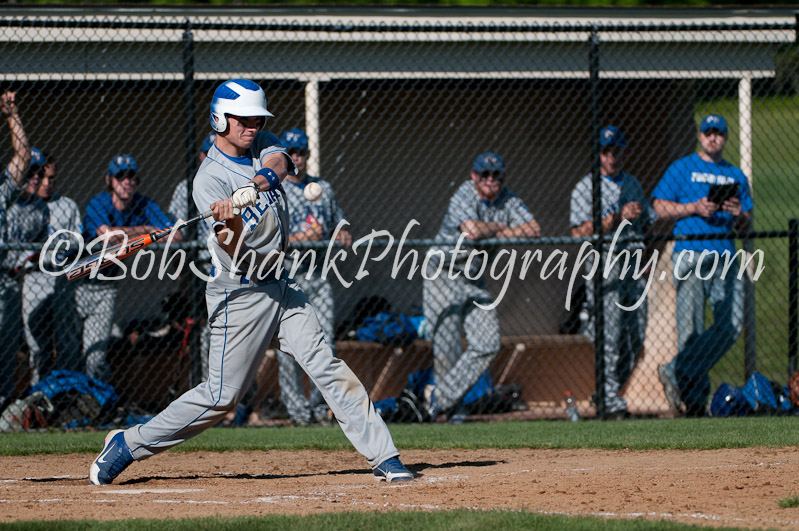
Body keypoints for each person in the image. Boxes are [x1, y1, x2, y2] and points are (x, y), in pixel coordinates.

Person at [89, 79, 412, 485]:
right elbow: (235, 249)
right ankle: (128, 444)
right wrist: (228, 215)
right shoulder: (208, 180)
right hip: (239, 291)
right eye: (243, 118)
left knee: (326, 365)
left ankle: (384, 455)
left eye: (257, 117)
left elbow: (278, 164)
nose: (253, 125)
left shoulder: (263, 142)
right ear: (220, 118)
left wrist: (254, 186)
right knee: (221, 398)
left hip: (282, 287)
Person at [421, 152, 541, 423]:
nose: (490, 180)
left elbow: (534, 229)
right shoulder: (463, 193)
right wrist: (502, 227)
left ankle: (441, 398)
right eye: (484, 175)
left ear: (503, 177)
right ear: (474, 176)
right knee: (447, 345)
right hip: (443, 272)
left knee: (487, 342)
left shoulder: (508, 198)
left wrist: (495, 232)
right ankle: (449, 410)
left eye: (496, 174)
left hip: (474, 278)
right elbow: (472, 231)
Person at [652, 114, 752, 417]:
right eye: (708, 132)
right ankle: (694, 403)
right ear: (700, 135)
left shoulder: (735, 175)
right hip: (691, 255)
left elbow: (746, 225)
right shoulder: (681, 168)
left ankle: (674, 369)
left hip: (724, 257)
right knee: (691, 332)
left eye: (718, 133)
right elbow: (658, 207)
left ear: (725, 137)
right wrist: (693, 207)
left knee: (731, 325)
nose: (713, 138)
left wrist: (737, 214)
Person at [569, 126, 656, 420]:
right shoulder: (586, 187)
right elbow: (579, 233)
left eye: (617, 151)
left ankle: (609, 391)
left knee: (637, 333)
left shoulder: (632, 184)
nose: (612, 157)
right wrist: (617, 217)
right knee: (610, 330)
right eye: (606, 152)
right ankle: (607, 395)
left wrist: (645, 251)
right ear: (599, 155)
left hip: (633, 262)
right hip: (605, 261)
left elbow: (649, 221)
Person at [77, 154, 178, 382]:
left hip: (106, 286)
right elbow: (108, 237)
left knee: (95, 356)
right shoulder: (98, 203)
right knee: (70, 350)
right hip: (76, 282)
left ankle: (96, 402)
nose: (127, 181)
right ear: (109, 180)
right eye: (120, 176)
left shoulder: (143, 204)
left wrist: (127, 232)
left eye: (132, 177)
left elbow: (175, 235)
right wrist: (146, 230)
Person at [276, 127, 351, 426]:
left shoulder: (324, 189)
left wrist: (342, 231)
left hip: (318, 274)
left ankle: (321, 409)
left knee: (325, 342)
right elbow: (269, 238)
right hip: (287, 274)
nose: (296, 158)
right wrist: (301, 237)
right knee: (289, 347)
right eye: (291, 153)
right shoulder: (274, 190)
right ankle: (297, 413)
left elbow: (337, 223)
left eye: (301, 153)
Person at [0, 90, 48, 404]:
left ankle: (3, 404)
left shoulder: (3, 191)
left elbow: (24, 157)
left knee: (5, 348)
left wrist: (11, 114)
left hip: (4, 281)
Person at [22, 148, 83, 384]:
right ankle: (40, 391)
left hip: (61, 275)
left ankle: (65, 393)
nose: (47, 183)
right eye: (42, 177)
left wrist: (60, 249)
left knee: (66, 340)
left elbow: (78, 240)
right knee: (37, 342)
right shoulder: (24, 206)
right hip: (33, 277)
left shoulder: (66, 205)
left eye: (52, 178)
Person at [167, 132, 215, 385]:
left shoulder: (236, 185)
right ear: (200, 156)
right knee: (207, 336)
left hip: (233, 267)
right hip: (201, 269)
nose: (212, 159)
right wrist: (184, 278)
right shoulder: (186, 189)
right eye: (209, 154)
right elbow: (177, 238)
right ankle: (212, 394)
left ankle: (239, 402)